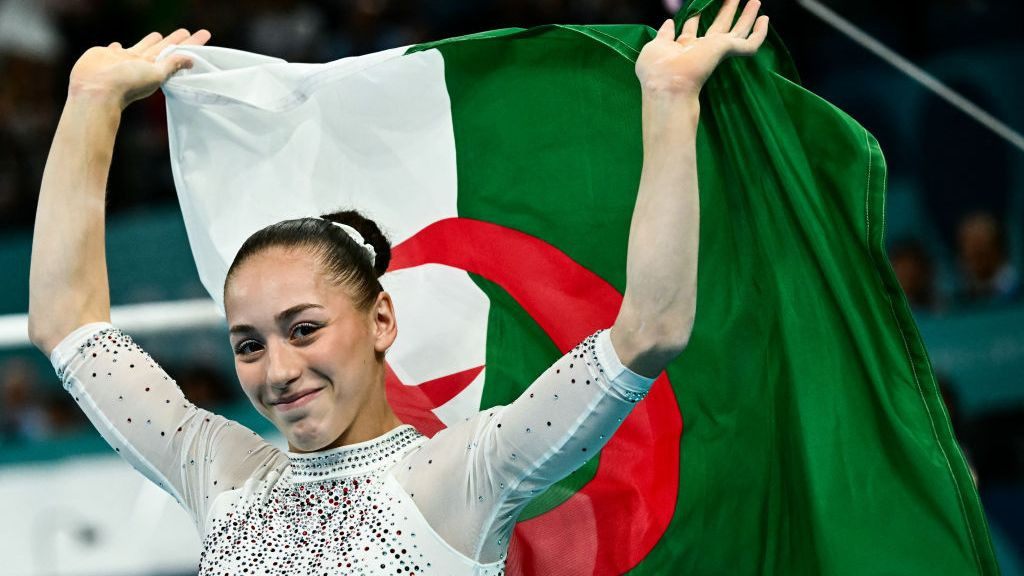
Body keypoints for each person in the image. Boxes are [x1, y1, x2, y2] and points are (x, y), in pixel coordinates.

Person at [27, 1, 768, 573]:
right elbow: (67, 325)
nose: (278, 370)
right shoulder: (220, 474)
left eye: (304, 328)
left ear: (381, 318)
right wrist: (91, 101)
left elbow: (649, 332)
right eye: (248, 343)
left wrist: (670, 103)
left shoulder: (461, 474)